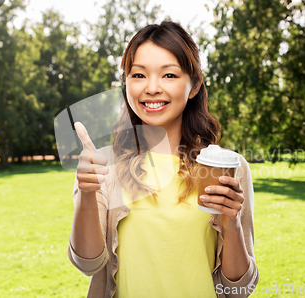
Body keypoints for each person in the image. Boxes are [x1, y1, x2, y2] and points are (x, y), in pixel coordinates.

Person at [68, 21, 259, 298]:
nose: (152, 88)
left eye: (169, 75)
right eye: (138, 75)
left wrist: (232, 223)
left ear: (193, 86)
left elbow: (239, 289)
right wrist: (88, 193)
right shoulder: (102, 165)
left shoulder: (228, 168)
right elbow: (87, 262)